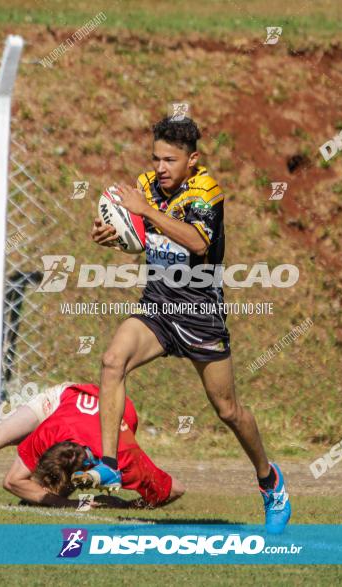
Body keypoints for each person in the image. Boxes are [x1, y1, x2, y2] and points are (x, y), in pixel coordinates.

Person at [87, 116, 290, 532]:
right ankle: (108, 465)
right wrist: (113, 233)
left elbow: (198, 242)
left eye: (170, 160)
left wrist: (143, 212)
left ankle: (270, 482)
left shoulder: (205, 191)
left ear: (192, 160)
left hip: (200, 315)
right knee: (112, 361)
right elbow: (139, 238)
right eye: (156, 158)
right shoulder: (145, 186)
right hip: (158, 307)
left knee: (228, 410)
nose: (160, 168)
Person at [4, 382, 184, 508]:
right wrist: (66, 503)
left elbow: (175, 489)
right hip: (75, 397)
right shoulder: (50, 431)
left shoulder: (124, 458)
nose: (43, 487)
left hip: (121, 407)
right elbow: (12, 481)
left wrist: (127, 506)